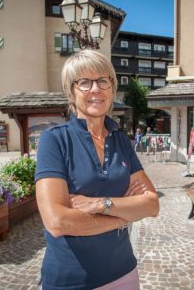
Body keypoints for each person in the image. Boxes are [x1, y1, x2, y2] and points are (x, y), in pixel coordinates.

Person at [35, 50, 159, 290]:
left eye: (103, 80)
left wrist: (101, 204)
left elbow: (152, 205)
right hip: (71, 280)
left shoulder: (121, 141)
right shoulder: (55, 140)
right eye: (84, 82)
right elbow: (57, 221)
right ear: (71, 91)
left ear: (112, 88)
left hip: (124, 273)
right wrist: (126, 215)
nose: (95, 89)